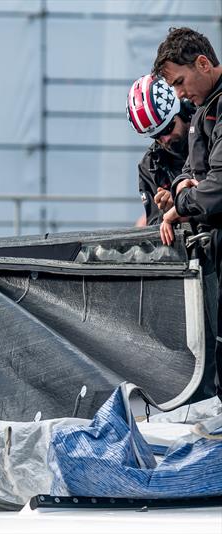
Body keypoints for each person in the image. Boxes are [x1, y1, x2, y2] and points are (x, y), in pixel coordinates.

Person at [153, 27, 222, 399]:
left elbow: (218, 189)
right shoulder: (203, 111)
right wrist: (182, 184)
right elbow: (198, 173)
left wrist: (178, 209)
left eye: (180, 82)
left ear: (202, 63)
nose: (179, 94)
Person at [126, 74, 194, 225]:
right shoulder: (149, 166)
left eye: (169, 128)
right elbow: (154, 228)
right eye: (156, 135)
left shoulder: (209, 135)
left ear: (183, 111)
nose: (165, 139)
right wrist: (167, 212)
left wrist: (183, 206)